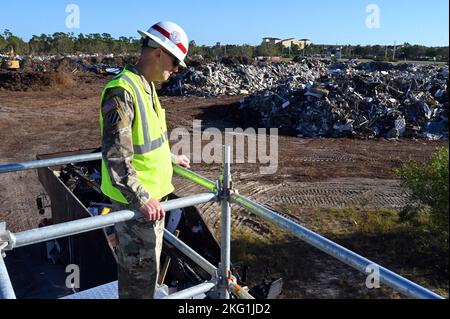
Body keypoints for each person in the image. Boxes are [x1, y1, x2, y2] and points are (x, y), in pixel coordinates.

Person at [99, 21, 191, 299]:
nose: (176, 70)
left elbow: (146, 141)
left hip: (152, 203)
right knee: (138, 281)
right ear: (159, 52)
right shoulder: (123, 91)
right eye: (175, 62)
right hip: (138, 205)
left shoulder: (147, 87)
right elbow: (116, 153)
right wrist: (141, 197)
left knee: (147, 277)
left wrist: (170, 157)